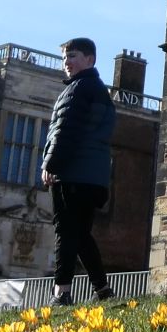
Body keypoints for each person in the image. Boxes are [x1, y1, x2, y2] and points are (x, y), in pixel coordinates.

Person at [39, 38, 116, 304]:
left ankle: (62, 292)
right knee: (81, 234)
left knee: (66, 231)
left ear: (90, 59)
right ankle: (102, 289)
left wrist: (51, 164)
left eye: (72, 56)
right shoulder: (98, 90)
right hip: (93, 177)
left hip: (72, 172)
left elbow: (66, 131)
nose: (67, 63)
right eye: (64, 58)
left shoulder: (76, 90)